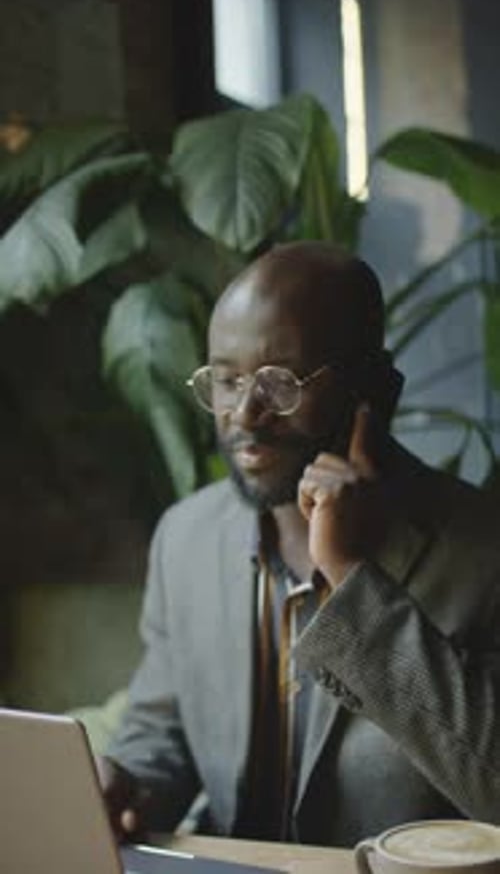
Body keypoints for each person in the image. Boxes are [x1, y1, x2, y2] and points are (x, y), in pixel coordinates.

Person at [99, 241, 500, 848]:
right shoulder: (185, 539)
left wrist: (351, 574)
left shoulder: (481, 549)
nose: (245, 415)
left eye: (281, 383)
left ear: (376, 391)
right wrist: (126, 785)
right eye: (227, 381)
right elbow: (164, 737)